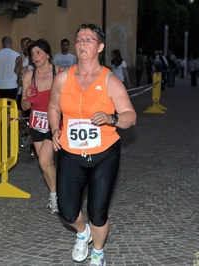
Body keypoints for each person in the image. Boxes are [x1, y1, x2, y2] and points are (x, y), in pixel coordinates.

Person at [48, 23, 137, 266]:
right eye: (79, 38)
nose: (82, 43)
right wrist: (55, 128)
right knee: (66, 210)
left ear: (100, 46)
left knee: (98, 212)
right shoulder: (63, 78)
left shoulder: (110, 80)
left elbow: (130, 116)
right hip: (70, 152)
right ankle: (82, 232)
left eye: (88, 39)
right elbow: (53, 107)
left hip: (104, 153)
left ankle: (97, 251)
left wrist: (112, 118)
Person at [21, 38, 63, 214]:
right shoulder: (29, 76)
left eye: (38, 52)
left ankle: (55, 197)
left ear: (47, 53)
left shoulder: (59, 72)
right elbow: (23, 106)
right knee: (45, 163)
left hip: (55, 123)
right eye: (32, 54)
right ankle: (55, 195)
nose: (35, 56)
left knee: (45, 159)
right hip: (37, 124)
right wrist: (29, 97)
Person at [15, 37, 36, 157]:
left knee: (33, 122)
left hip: (39, 96)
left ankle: (33, 147)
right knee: (22, 118)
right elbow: (18, 81)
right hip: (25, 94)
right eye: (24, 46)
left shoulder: (40, 61)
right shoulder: (24, 61)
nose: (26, 48)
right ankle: (25, 135)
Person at [0, 36, 20, 100]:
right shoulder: (17, 55)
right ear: (11, 44)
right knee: (11, 108)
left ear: (2, 44)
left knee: (0, 108)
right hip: (12, 85)